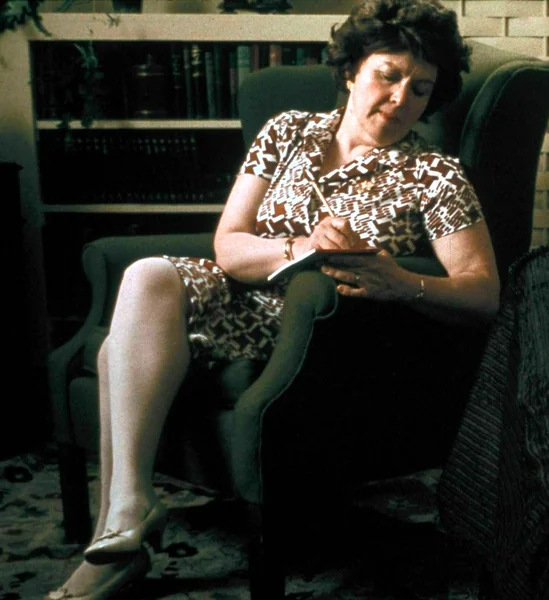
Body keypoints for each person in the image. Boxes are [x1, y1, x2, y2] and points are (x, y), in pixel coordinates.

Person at [45, 1, 494, 599]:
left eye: (421, 89)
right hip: (240, 297)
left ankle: (117, 536)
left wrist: (399, 280)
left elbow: (483, 291)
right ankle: (129, 508)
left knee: (114, 354)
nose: (400, 98)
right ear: (351, 72)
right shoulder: (287, 131)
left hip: (320, 328)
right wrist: (304, 245)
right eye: (388, 75)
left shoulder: (435, 175)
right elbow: (229, 245)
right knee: (148, 275)